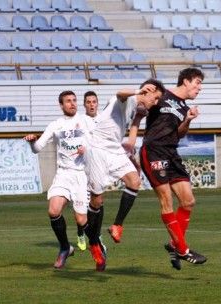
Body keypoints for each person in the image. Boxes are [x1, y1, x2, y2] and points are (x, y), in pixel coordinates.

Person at [23, 91, 105, 271]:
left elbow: (100, 142)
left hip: (82, 176)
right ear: (61, 105)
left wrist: (88, 148)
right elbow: (37, 148)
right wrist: (32, 141)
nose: (73, 104)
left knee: (82, 220)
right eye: (68, 101)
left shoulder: (87, 121)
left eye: (74, 100)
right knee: (53, 211)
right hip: (63, 174)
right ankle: (65, 247)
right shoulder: (55, 125)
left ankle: (96, 246)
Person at [139, 68, 207, 270]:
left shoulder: (185, 107)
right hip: (153, 151)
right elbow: (141, 104)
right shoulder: (162, 95)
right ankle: (183, 250)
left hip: (172, 153)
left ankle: (173, 245)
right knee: (166, 201)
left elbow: (179, 134)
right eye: (197, 82)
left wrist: (187, 120)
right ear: (185, 81)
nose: (199, 88)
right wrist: (143, 92)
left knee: (188, 201)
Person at [85, 79, 165, 251]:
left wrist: (137, 120)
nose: (156, 102)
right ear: (147, 91)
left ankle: (117, 226)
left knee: (134, 181)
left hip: (114, 148)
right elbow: (120, 93)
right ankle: (93, 242)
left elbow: (132, 131)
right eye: (155, 97)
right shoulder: (126, 99)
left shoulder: (136, 108)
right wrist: (139, 89)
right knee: (97, 200)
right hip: (97, 148)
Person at [75, 90, 100, 252]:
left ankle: (94, 234)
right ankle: (81, 233)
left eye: (94, 101)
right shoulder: (79, 120)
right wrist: (78, 146)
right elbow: (73, 137)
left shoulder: (103, 120)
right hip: (80, 169)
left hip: (97, 169)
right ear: (84, 104)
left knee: (96, 204)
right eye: (88, 102)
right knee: (82, 206)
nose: (91, 104)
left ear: (97, 103)